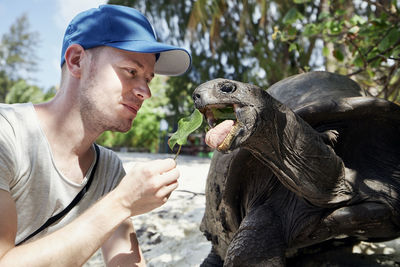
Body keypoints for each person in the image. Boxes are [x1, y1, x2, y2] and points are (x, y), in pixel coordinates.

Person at [0, 4, 191, 266]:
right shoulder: (6, 134)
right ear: (77, 60)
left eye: (148, 79)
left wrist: (121, 200)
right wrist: (121, 202)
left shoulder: (108, 171)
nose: (145, 92)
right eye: (131, 72)